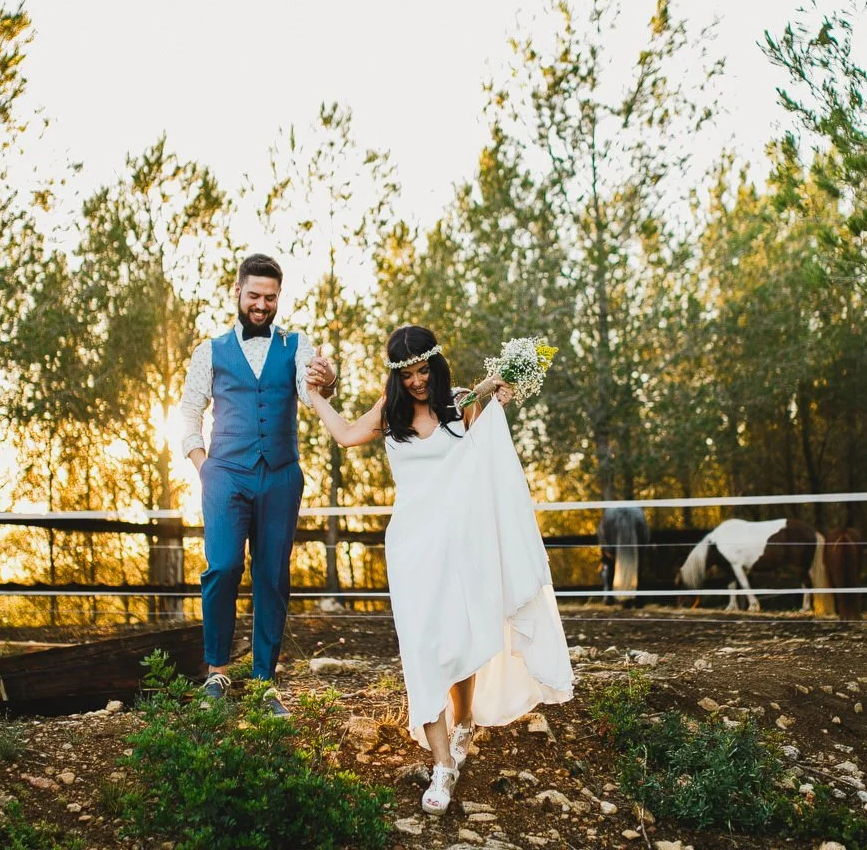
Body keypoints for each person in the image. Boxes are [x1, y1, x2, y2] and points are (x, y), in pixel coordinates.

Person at [307, 325, 573, 814]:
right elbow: (345, 436)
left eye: (423, 369)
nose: (416, 381)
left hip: (460, 544)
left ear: (436, 363)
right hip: (412, 546)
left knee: (460, 638)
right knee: (423, 647)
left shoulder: (460, 403)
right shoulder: (391, 414)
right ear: (395, 376)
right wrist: (313, 397)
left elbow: (485, 458)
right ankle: (442, 764)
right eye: (406, 374)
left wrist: (498, 402)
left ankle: (465, 717)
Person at [176, 253, 336, 717]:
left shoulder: (297, 344)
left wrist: (328, 378)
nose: (262, 306)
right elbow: (189, 409)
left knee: (271, 575)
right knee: (223, 568)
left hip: (281, 475)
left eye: (270, 298)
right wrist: (201, 462)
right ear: (238, 292)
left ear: (278, 297)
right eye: (254, 296)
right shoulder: (210, 350)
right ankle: (217, 673)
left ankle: (265, 681)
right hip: (224, 473)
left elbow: (314, 391)